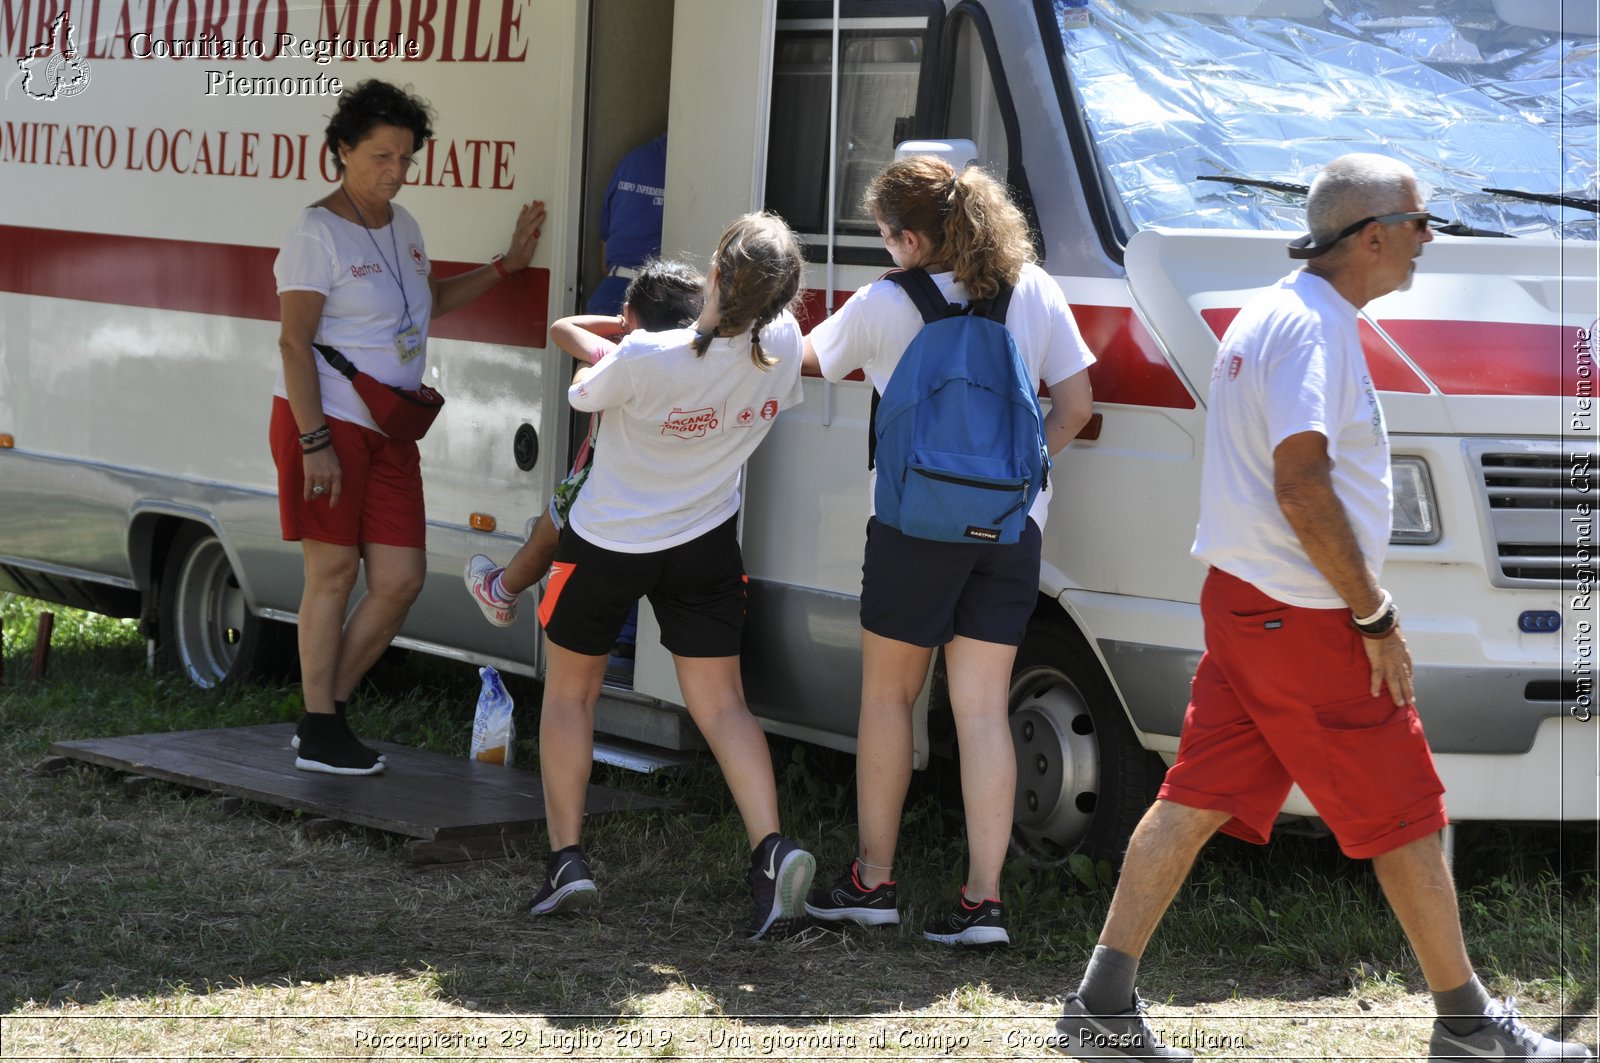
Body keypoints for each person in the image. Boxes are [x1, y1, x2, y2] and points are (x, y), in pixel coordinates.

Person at [1051, 154, 1594, 1061]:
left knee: (1193, 798)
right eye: (1424, 223)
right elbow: (1301, 483)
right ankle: (1467, 1025)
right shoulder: (1314, 330)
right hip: (1302, 619)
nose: (1432, 239)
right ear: (1371, 235)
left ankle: (1099, 1003)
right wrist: (1374, 613)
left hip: (1248, 606)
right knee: (1409, 810)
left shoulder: (1276, 311)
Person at [800, 156, 1095, 946]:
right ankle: (983, 903)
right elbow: (1075, 405)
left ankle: (872, 880)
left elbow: (804, 360)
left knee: (890, 699)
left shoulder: (886, 301)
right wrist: (1016, 481)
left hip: (909, 527)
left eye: (887, 237)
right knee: (981, 708)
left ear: (905, 236)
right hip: (1009, 527)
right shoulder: (1035, 289)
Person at [526, 213, 817, 940]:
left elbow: (583, 370)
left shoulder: (646, 356)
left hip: (607, 541)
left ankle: (569, 862)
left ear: (715, 272)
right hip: (705, 540)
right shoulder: (781, 345)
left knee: (570, 695)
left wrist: (617, 334)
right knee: (724, 708)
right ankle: (770, 850)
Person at [271, 79, 545, 776]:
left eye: (405, 158)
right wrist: (314, 443)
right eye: (381, 156)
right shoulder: (316, 231)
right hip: (325, 422)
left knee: (400, 578)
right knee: (332, 572)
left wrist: (504, 268)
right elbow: (293, 343)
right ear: (340, 152)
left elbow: (424, 304)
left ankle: (319, 714)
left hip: (392, 428)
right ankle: (323, 726)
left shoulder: (405, 227)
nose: (395, 171)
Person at [463, 260, 705, 624]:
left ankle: (500, 591)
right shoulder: (701, 366)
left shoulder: (622, 361)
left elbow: (564, 333)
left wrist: (607, 342)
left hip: (603, 487)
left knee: (545, 534)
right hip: (667, 497)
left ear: (629, 313)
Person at [588, 133, 667, 315]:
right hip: (651, 303)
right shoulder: (691, 165)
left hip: (609, 294)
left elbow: (605, 241)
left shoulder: (631, 161)